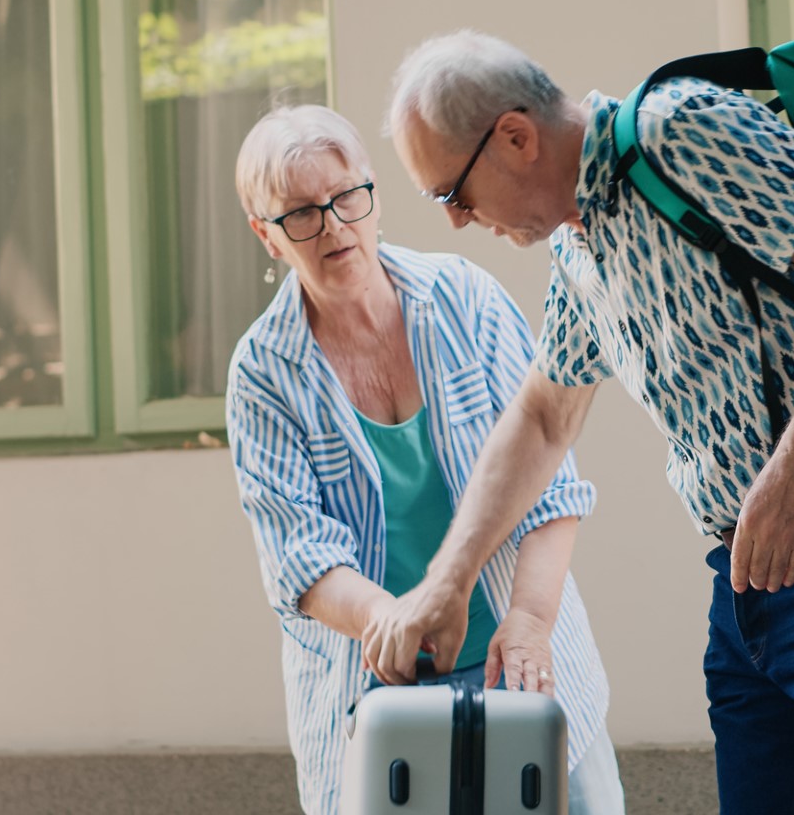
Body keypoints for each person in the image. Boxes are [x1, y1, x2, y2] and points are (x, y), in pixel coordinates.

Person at [370, 32, 794, 815]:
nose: (459, 223)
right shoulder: (578, 243)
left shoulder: (682, 132)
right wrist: (449, 582)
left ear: (515, 137)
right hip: (743, 584)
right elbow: (544, 416)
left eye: (452, 195)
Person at [224, 105, 626, 815]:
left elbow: (551, 486)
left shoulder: (462, 298)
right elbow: (302, 560)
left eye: (347, 197)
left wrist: (530, 621)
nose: (335, 226)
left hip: (519, 652)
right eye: (301, 214)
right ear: (267, 235)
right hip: (375, 691)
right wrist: (400, 621)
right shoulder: (262, 372)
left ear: (372, 192)